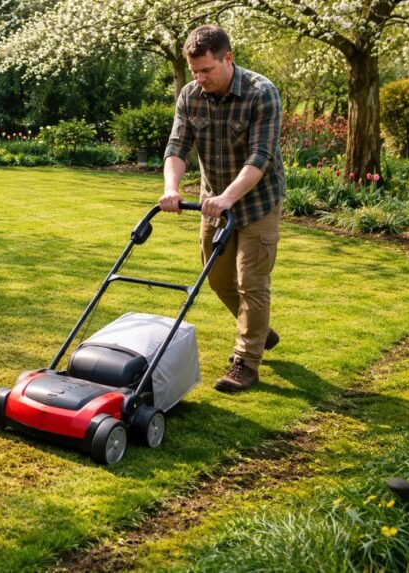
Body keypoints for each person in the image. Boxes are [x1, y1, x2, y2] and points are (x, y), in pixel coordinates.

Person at [159, 24, 285, 393]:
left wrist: (229, 197)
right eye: (195, 71)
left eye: (207, 71)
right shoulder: (190, 95)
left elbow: (260, 155)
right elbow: (177, 147)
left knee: (251, 283)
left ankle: (246, 362)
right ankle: (259, 330)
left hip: (258, 202)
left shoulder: (262, 93)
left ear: (228, 59)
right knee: (216, 279)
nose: (200, 79)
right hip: (214, 203)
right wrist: (171, 188)